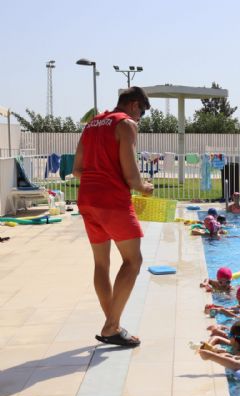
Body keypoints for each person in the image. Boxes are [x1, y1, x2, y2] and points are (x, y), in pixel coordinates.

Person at [72, 86, 152, 348]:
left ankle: (112, 324)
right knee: (133, 260)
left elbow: (77, 171)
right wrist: (145, 187)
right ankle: (110, 327)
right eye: (142, 110)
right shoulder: (125, 124)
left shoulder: (93, 124)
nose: (140, 116)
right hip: (112, 201)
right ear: (132, 105)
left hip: (87, 199)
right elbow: (131, 175)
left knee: (101, 264)